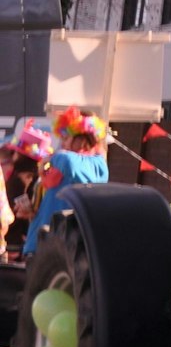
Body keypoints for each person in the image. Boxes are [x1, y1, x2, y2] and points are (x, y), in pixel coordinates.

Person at [22, 107, 110, 260]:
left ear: (83, 139)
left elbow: (70, 164)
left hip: (62, 254)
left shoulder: (97, 164)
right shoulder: (59, 170)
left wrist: (53, 157)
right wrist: (32, 213)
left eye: (66, 137)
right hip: (39, 249)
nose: (61, 143)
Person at [5, 122, 53, 255]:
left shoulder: (19, 181)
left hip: (16, 242)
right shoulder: (29, 180)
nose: (12, 155)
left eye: (16, 152)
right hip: (19, 242)